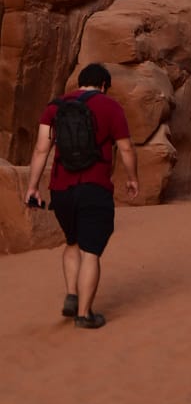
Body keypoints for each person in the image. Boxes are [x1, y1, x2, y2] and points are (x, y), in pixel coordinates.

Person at [24, 62, 139, 329]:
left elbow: (42, 149)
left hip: (61, 189)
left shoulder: (55, 107)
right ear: (103, 86)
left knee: (72, 241)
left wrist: (32, 187)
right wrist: (133, 178)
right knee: (91, 252)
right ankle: (85, 315)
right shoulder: (111, 107)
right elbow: (126, 148)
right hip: (94, 187)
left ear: (80, 83)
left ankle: (72, 294)